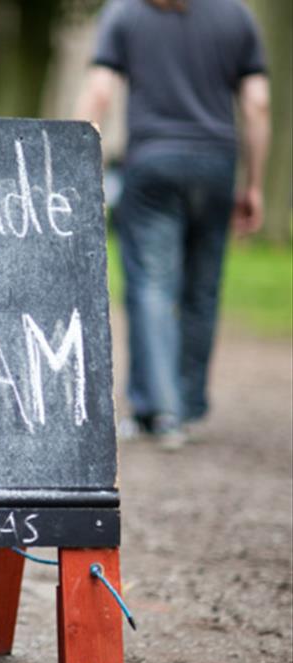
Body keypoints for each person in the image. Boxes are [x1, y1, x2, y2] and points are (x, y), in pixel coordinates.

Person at [75, 0, 270, 450]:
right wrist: (254, 183)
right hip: (217, 164)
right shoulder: (237, 15)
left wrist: (72, 164)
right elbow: (257, 105)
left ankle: (157, 410)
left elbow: (100, 92)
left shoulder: (125, 12)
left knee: (152, 285)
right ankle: (185, 404)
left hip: (153, 164)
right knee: (202, 289)